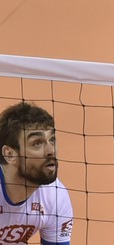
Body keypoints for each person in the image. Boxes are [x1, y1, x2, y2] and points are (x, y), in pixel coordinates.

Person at [0, 102, 73, 244]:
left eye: (52, 140)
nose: (51, 150)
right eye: (37, 143)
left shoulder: (55, 196)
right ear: (9, 154)